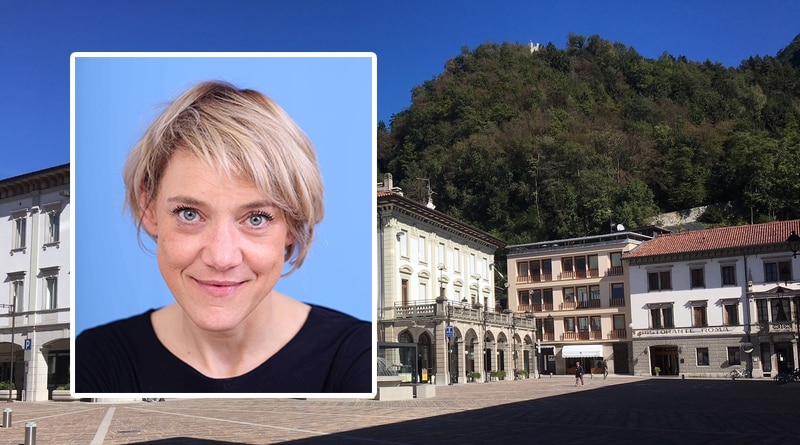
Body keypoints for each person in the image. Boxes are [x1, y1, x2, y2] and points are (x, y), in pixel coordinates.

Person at [76, 80, 371, 394]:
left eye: (256, 218)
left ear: (293, 225)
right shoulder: (95, 359)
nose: (221, 257)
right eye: (189, 214)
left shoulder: (357, 357)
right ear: (150, 209)